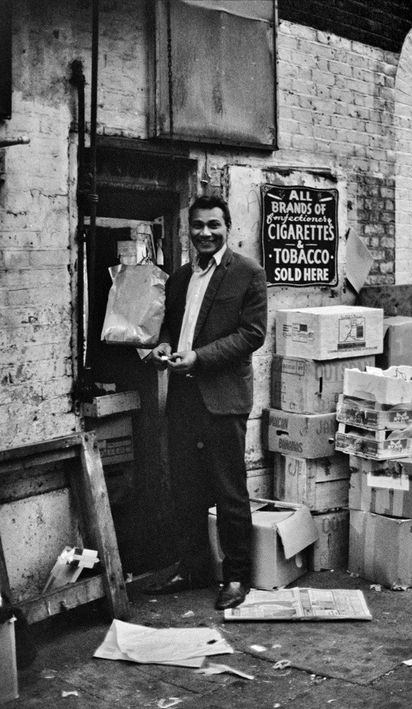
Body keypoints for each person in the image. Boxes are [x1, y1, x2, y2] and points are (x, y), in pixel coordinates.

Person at [146, 194, 268, 610]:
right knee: (186, 490)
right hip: (182, 398)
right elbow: (170, 327)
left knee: (230, 492)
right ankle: (193, 567)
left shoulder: (248, 273)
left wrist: (199, 357)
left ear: (227, 228)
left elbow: (252, 334)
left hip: (223, 399)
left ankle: (236, 576)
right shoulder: (179, 278)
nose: (205, 233)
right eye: (198, 225)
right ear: (189, 229)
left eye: (213, 225)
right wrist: (164, 346)